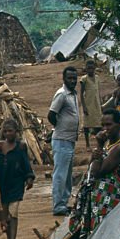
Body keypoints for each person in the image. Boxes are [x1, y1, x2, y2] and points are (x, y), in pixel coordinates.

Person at [69, 109, 120, 238]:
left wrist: (99, 145)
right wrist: (94, 156)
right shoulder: (108, 147)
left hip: (109, 200)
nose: (105, 129)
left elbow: (98, 172)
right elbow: (91, 169)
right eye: (103, 125)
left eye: (109, 125)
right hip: (99, 201)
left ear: (119, 125)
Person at [0, 119, 34, 239]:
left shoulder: (21, 146)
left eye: (10, 131)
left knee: (14, 212)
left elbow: (25, 163)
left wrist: (29, 178)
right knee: (4, 214)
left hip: (16, 183)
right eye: (5, 131)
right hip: (2, 184)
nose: (7, 134)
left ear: (16, 132)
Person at [48, 66, 79, 216]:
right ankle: (58, 205)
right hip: (61, 139)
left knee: (67, 175)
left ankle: (64, 203)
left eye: (74, 78)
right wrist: (58, 128)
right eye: (70, 78)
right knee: (60, 174)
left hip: (70, 139)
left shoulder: (73, 94)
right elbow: (51, 114)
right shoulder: (61, 95)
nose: (72, 81)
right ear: (64, 79)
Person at [79, 59, 103, 149]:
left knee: (98, 124)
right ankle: (87, 144)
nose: (90, 70)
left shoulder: (97, 78)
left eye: (92, 68)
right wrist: (84, 106)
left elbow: (98, 91)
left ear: (94, 68)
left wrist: (101, 103)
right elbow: (81, 94)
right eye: (88, 68)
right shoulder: (84, 79)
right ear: (86, 69)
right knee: (86, 125)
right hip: (88, 104)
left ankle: (98, 144)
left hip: (96, 103)